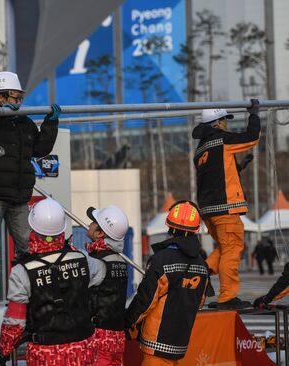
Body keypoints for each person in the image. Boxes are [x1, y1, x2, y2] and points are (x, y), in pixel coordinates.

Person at [0, 71, 60, 309]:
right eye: (13, 97)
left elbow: (40, 149)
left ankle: (27, 292)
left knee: (27, 247)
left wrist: (51, 122)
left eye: (19, 98)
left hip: (18, 196)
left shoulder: (24, 123)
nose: (18, 102)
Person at [0, 198, 108, 366]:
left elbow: (15, 322)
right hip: (84, 350)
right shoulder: (82, 258)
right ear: (62, 229)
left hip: (46, 356)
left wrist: (5, 350)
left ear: (32, 227)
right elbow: (101, 273)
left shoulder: (21, 271)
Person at [192, 99, 261, 309]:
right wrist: (254, 115)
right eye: (224, 120)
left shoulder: (201, 148)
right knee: (232, 249)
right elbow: (251, 138)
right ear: (217, 123)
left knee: (225, 248)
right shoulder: (222, 140)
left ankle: (200, 274)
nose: (226, 124)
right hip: (225, 208)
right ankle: (227, 298)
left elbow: (216, 175)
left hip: (209, 210)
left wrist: (239, 168)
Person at [125, 201, 209, 366]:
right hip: (179, 342)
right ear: (195, 231)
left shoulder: (162, 259)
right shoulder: (202, 265)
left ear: (170, 228)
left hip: (156, 342)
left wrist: (127, 322)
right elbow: (199, 302)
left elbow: (145, 300)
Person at [85, 205, 129, 366]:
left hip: (99, 339)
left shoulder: (96, 263)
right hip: (117, 339)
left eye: (92, 222)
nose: (89, 224)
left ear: (100, 233)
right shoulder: (121, 261)